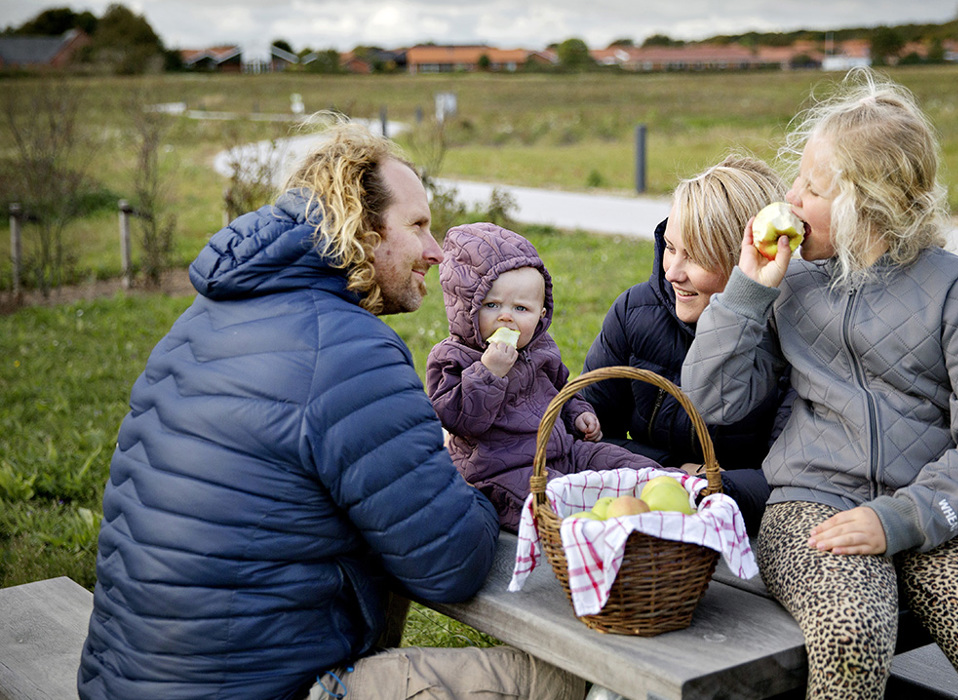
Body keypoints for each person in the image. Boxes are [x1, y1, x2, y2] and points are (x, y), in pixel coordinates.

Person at [77, 122, 584, 700]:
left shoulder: (201, 320)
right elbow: (451, 562)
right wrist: (468, 476)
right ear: (364, 228)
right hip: (257, 690)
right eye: (417, 225)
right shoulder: (347, 350)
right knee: (569, 680)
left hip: (124, 680)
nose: (436, 250)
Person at [681, 70, 958, 699]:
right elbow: (712, 403)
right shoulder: (790, 285)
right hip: (812, 502)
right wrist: (747, 290)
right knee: (851, 633)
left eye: (812, 188)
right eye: (795, 182)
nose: (792, 199)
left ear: (867, 204)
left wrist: (902, 519)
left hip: (937, 507)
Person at [580, 154, 793, 535]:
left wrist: (714, 489)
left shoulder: (788, 335)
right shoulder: (634, 312)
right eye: (671, 247)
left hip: (747, 534)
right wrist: (673, 471)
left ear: (750, 258)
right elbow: (583, 435)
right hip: (647, 533)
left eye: (695, 255)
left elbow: (788, 478)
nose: (673, 272)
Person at [426, 222, 662, 532]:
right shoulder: (453, 358)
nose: (506, 316)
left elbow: (562, 388)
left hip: (565, 453)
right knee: (560, 499)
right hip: (502, 472)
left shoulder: (541, 348)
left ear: (541, 313)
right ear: (465, 306)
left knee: (624, 463)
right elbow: (458, 420)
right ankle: (600, 534)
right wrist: (488, 372)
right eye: (492, 305)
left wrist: (578, 412)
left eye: (521, 308)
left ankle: (670, 493)